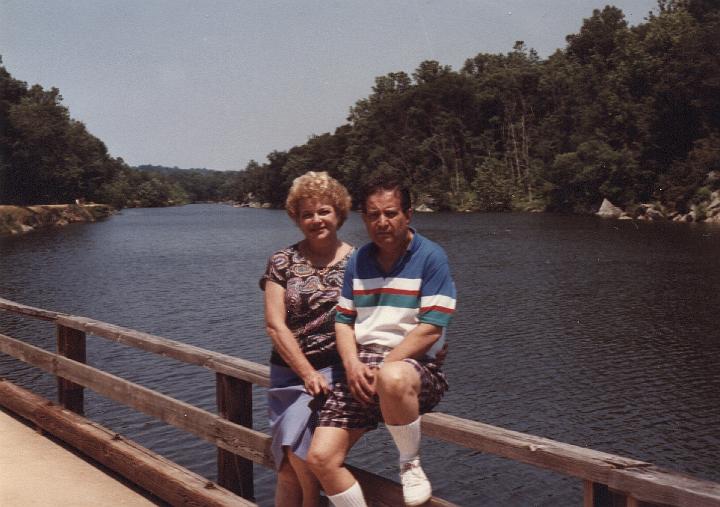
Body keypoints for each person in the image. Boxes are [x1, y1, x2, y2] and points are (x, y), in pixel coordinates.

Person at [307, 172, 456, 507]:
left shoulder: (431, 257)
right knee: (320, 459)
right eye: (373, 215)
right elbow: (344, 322)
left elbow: (431, 326)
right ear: (364, 218)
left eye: (390, 213)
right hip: (361, 369)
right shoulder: (358, 261)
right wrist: (352, 364)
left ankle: (410, 463)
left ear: (408, 215)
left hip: (413, 368)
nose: (382, 222)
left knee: (391, 376)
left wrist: (386, 365)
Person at [260, 171, 354, 507]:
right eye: (307, 214)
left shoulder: (359, 263)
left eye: (323, 211)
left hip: (335, 374)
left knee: (302, 457)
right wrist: (305, 373)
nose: (316, 220)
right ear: (297, 219)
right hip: (289, 374)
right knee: (288, 466)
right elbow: (274, 324)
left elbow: (376, 318)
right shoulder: (282, 262)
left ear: (339, 212)